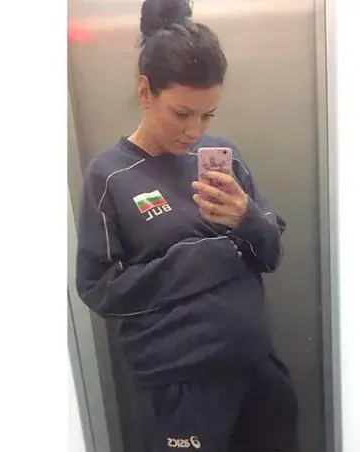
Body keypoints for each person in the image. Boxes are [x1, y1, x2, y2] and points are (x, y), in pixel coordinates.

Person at [76, 0, 299, 450]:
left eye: (207, 115)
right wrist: (212, 254)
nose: (194, 130)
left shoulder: (224, 158)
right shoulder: (110, 176)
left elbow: (270, 253)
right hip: (180, 389)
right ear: (145, 92)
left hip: (258, 371)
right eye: (181, 113)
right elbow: (98, 288)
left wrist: (247, 220)